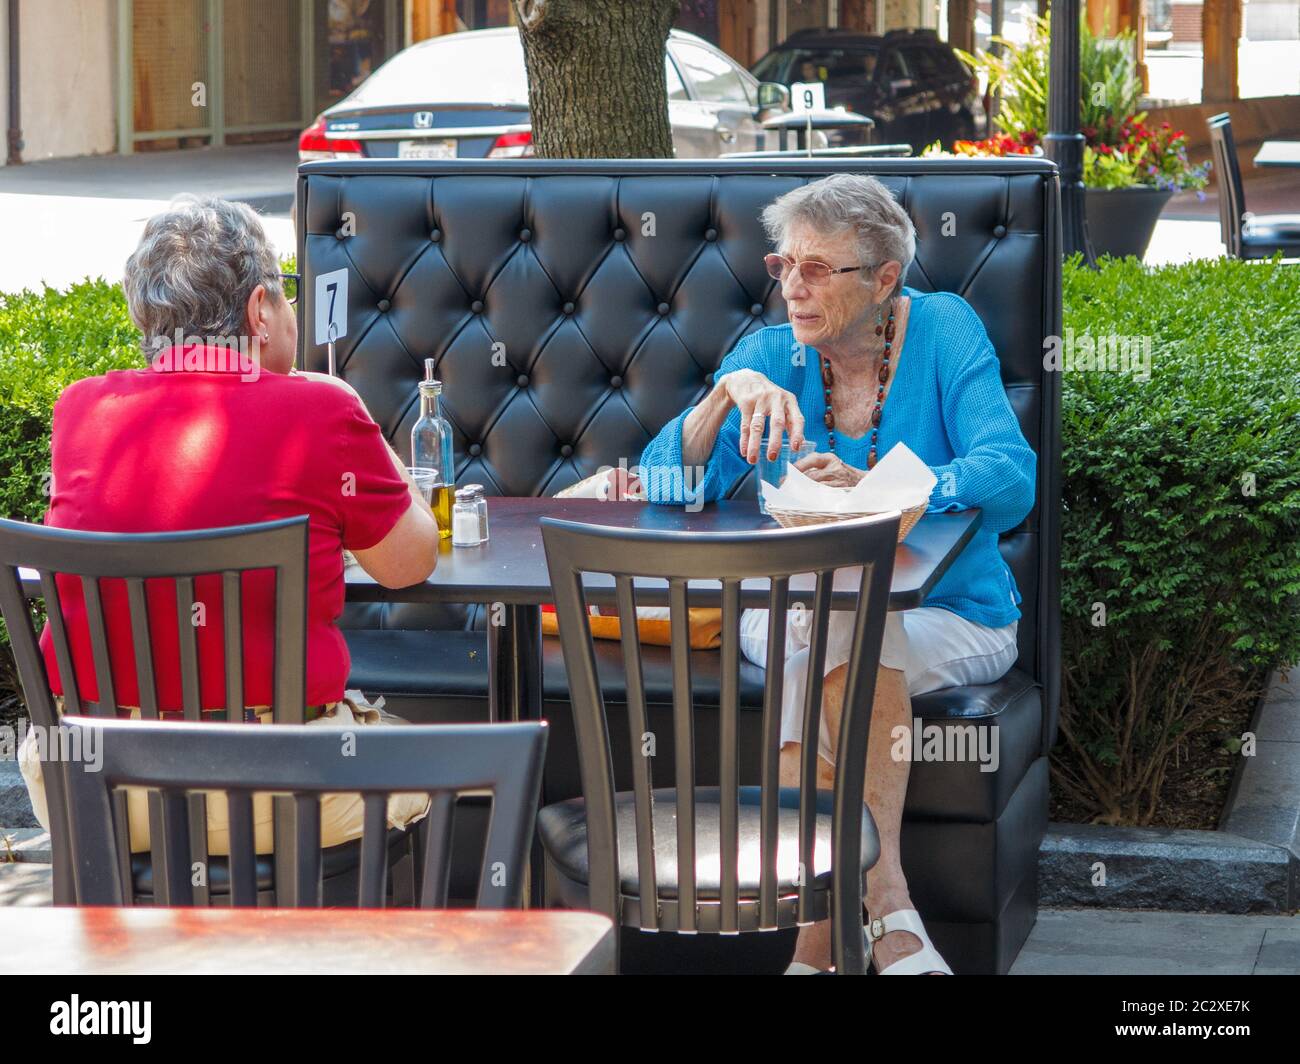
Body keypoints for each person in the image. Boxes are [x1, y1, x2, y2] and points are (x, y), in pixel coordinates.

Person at [639, 174, 1036, 974]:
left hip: (953, 614)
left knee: (838, 616)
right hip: (787, 606)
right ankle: (888, 903)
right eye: (784, 264)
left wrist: (892, 489)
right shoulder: (764, 355)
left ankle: (815, 943)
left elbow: (1010, 473)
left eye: (818, 269)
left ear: (885, 278)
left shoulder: (945, 330)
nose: (793, 287)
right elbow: (665, 485)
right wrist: (722, 395)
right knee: (827, 610)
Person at [19, 195, 440, 855]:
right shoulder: (323, 411)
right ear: (258, 312)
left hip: (90, 785)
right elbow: (411, 563)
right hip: (278, 788)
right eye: (284, 293)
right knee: (428, 763)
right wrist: (355, 408)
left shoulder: (81, 409)